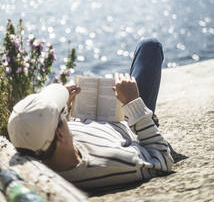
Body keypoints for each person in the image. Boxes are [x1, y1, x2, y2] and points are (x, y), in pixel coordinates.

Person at [7, 38, 173, 193]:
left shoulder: (44, 144)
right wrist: (133, 103)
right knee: (150, 46)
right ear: (59, 134)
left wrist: (66, 108)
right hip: (132, 121)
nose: (63, 116)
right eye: (59, 114)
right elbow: (162, 160)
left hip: (99, 124)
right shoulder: (116, 164)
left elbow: (50, 132)